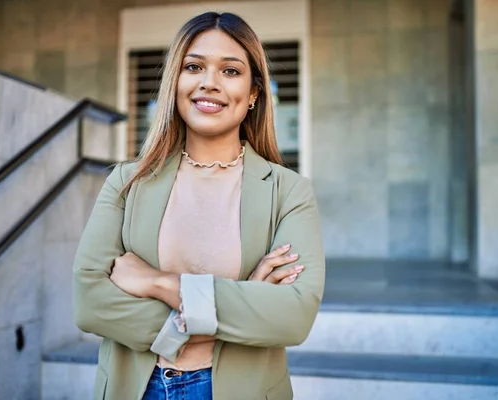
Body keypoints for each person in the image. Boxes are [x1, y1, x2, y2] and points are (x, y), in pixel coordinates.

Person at [73, 11, 325, 400]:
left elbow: (293, 315)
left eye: (230, 71)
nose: (209, 83)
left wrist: (160, 283)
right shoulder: (126, 181)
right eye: (194, 67)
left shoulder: (288, 191)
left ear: (255, 92)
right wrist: (241, 300)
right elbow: (90, 302)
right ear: (176, 81)